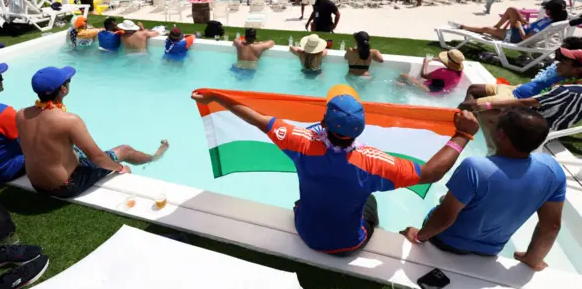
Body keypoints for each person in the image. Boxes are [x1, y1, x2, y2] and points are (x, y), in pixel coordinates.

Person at [191, 85, 479, 256]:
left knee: (310, 198)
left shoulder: (299, 143)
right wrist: (462, 136)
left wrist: (217, 97)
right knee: (371, 199)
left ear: (324, 121)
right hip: (348, 245)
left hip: (303, 231)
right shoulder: (375, 163)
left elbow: (258, 120)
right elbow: (430, 172)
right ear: (361, 129)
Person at [401, 107, 563, 272]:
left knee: (446, 202)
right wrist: (532, 259)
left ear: (501, 135)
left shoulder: (476, 167)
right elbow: (551, 226)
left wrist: (419, 237)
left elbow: (445, 217)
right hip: (490, 250)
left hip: (446, 242)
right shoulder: (552, 169)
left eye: (494, 123)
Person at [17, 66, 169, 199]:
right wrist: (118, 167)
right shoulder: (69, 120)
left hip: (36, 183)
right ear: (63, 89)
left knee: (74, 149)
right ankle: (153, 158)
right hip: (65, 186)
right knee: (125, 151)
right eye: (68, 82)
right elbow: (96, 158)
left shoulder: (21, 114)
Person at [460, 37, 582, 111]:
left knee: (468, 105)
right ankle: (466, 117)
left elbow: (529, 103)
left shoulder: (566, 88)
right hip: (515, 89)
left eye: (563, 61)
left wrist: (489, 105)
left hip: (515, 100)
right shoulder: (561, 71)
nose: (557, 63)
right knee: (473, 88)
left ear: (577, 70)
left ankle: (457, 120)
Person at [451, 0, 568, 44]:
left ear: (552, 11)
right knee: (512, 10)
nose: (545, 10)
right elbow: (532, 28)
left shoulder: (546, 24)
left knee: (486, 29)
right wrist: (523, 21)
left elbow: (526, 39)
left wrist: (519, 26)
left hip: (515, 36)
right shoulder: (551, 20)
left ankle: (463, 26)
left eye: (547, 8)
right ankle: (496, 28)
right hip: (522, 30)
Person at [398, 49, 464, 93]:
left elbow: (424, 75)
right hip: (439, 92)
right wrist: (433, 59)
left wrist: (425, 63)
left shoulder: (443, 72)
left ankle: (398, 88)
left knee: (403, 75)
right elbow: (448, 63)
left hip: (427, 90)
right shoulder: (459, 72)